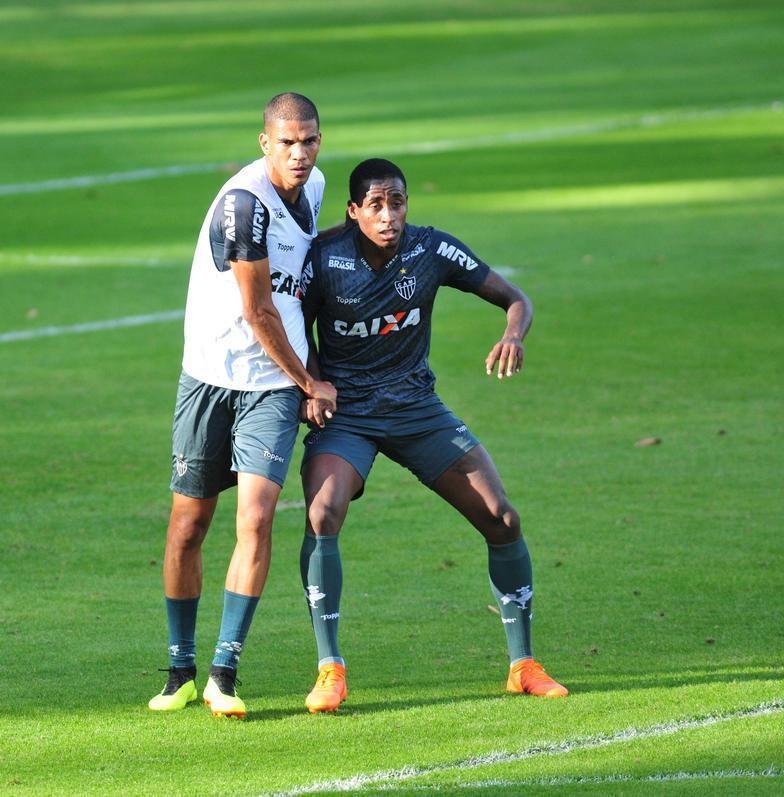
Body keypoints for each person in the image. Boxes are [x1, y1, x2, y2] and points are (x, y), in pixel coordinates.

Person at [296, 158, 568, 713]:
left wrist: (513, 334)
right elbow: (291, 323)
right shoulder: (323, 259)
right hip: (348, 414)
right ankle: (330, 669)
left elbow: (516, 298)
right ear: (353, 212)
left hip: (417, 408)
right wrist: (311, 382)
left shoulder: (432, 250)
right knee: (323, 513)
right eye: (374, 204)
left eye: (396, 201)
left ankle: (524, 665)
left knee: (502, 518)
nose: (388, 214)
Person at [148, 92, 338, 718]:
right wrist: (311, 379)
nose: (300, 153)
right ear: (264, 143)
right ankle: (179, 668)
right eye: (287, 142)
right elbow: (258, 311)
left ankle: (223, 673)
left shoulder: (313, 190)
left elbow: (301, 290)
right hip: (210, 378)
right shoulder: (242, 206)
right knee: (188, 525)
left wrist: (301, 374)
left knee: (256, 519)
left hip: (271, 388)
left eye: (309, 140)